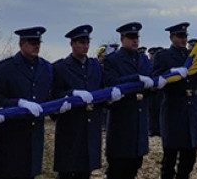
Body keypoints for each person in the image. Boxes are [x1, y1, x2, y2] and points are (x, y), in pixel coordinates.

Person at [0, 27, 53, 179]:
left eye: (38, 42)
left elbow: (49, 96)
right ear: (21, 44)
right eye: (32, 42)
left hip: (34, 138)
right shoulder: (6, 68)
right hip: (11, 138)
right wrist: (18, 103)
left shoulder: (46, 68)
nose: (36, 46)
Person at [153, 23, 197, 179]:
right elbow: (156, 78)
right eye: (180, 36)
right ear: (171, 37)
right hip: (174, 107)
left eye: (185, 36)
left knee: (190, 155)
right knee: (170, 156)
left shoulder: (192, 56)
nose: (183, 39)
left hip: (191, 107)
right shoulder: (163, 56)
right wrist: (170, 73)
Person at [51, 25, 104, 179]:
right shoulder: (60, 67)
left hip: (90, 126)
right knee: (67, 171)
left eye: (87, 42)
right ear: (72, 44)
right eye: (81, 42)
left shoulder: (95, 66)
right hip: (71, 127)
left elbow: (101, 89)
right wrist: (70, 94)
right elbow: (54, 95)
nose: (85, 46)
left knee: (85, 172)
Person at [103, 22, 152, 179]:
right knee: (117, 170)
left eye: (136, 37)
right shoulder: (113, 60)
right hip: (122, 124)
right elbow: (110, 82)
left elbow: (150, 86)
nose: (135, 41)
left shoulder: (144, 60)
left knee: (134, 168)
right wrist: (136, 79)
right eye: (131, 38)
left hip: (139, 124)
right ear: (122, 39)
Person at [147, 47, 162, 137]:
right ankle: (151, 129)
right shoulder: (148, 64)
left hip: (159, 91)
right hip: (151, 91)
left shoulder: (160, 64)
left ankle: (158, 129)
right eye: (152, 54)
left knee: (159, 110)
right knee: (151, 111)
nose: (153, 56)